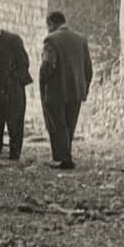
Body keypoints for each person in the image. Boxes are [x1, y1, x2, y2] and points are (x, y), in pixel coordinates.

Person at [39, 10, 93, 171]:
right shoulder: (81, 39)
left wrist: (43, 83)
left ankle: (63, 159)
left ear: (51, 24)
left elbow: (47, 64)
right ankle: (65, 155)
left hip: (56, 90)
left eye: (47, 26)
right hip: (76, 90)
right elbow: (88, 68)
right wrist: (85, 88)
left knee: (57, 124)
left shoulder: (51, 40)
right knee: (70, 124)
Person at [0, 17, 32, 160]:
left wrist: (11, 83)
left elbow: (24, 64)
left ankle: (14, 156)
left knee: (14, 123)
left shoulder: (13, 40)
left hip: (12, 92)